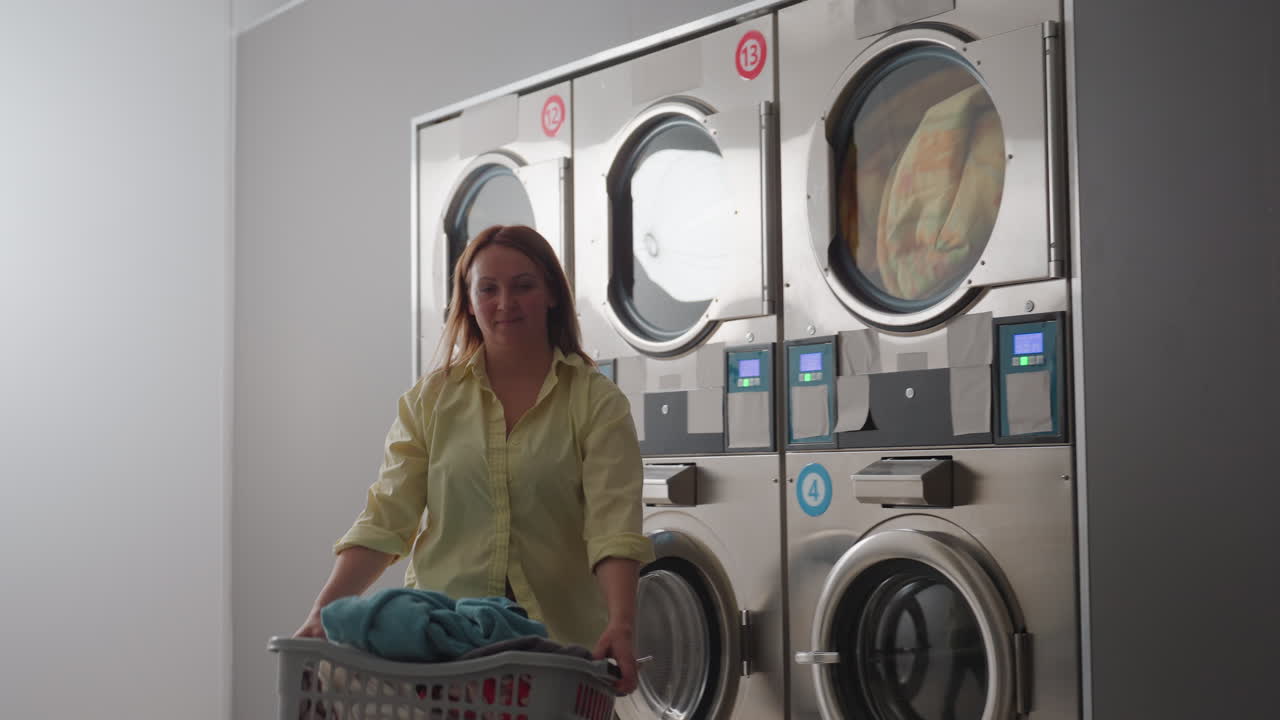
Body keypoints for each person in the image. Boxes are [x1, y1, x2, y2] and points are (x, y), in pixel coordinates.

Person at [294, 224, 654, 693]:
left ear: (549, 294)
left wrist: (622, 626)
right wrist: (320, 614)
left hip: (560, 654)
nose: (506, 303)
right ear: (468, 302)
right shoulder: (431, 400)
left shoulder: (596, 403)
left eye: (523, 285)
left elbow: (613, 531)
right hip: (441, 653)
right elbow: (386, 519)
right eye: (488, 289)